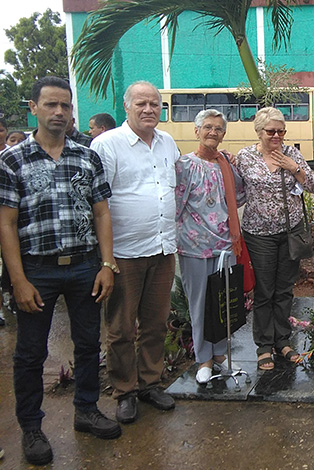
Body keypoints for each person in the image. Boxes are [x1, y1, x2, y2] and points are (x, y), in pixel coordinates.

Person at [0, 76, 122, 466]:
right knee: (31, 353)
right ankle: (32, 428)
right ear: (33, 107)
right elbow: (5, 224)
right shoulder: (12, 161)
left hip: (85, 265)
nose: (59, 112)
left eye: (65, 106)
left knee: (88, 345)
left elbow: (102, 211)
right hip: (37, 270)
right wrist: (18, 279)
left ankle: (86, 410)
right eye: (50, 105)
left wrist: (106, 264)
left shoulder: (86, 156)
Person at [91, 81, 180, 424]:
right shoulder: (106, 145)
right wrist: (106, 258)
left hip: (161, 248)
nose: (149, 110)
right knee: (121, 328)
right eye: (141, 103)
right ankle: (124, 391)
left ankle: (150, 383)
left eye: (155, 104)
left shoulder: (167, 142)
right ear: (126, 107)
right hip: (124, 254)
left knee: (156, 323)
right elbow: (98, 204)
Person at [236, 107, 314, 371]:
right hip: (259, 234)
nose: (277, 136)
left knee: (284, 290)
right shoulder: (245, 157)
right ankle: (263, 345)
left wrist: (294, 168)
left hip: (290, 232)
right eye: (271, 131)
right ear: (259, 131)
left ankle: (283, 341)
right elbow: (235, 188)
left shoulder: (291, 153)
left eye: (281, 131)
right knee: (264, 291)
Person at [175, 109, 246, 383]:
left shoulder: (225, 164)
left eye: (218, 128)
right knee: (199, 304)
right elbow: (176, 207)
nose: (213, 132)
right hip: (194, 245)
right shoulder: (185, 165)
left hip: (225, 245)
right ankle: (203, 358)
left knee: (221, 301)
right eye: (207, 127)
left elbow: (238, 196)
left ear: (224, 134)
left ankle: (219, 354)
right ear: (197, 131)